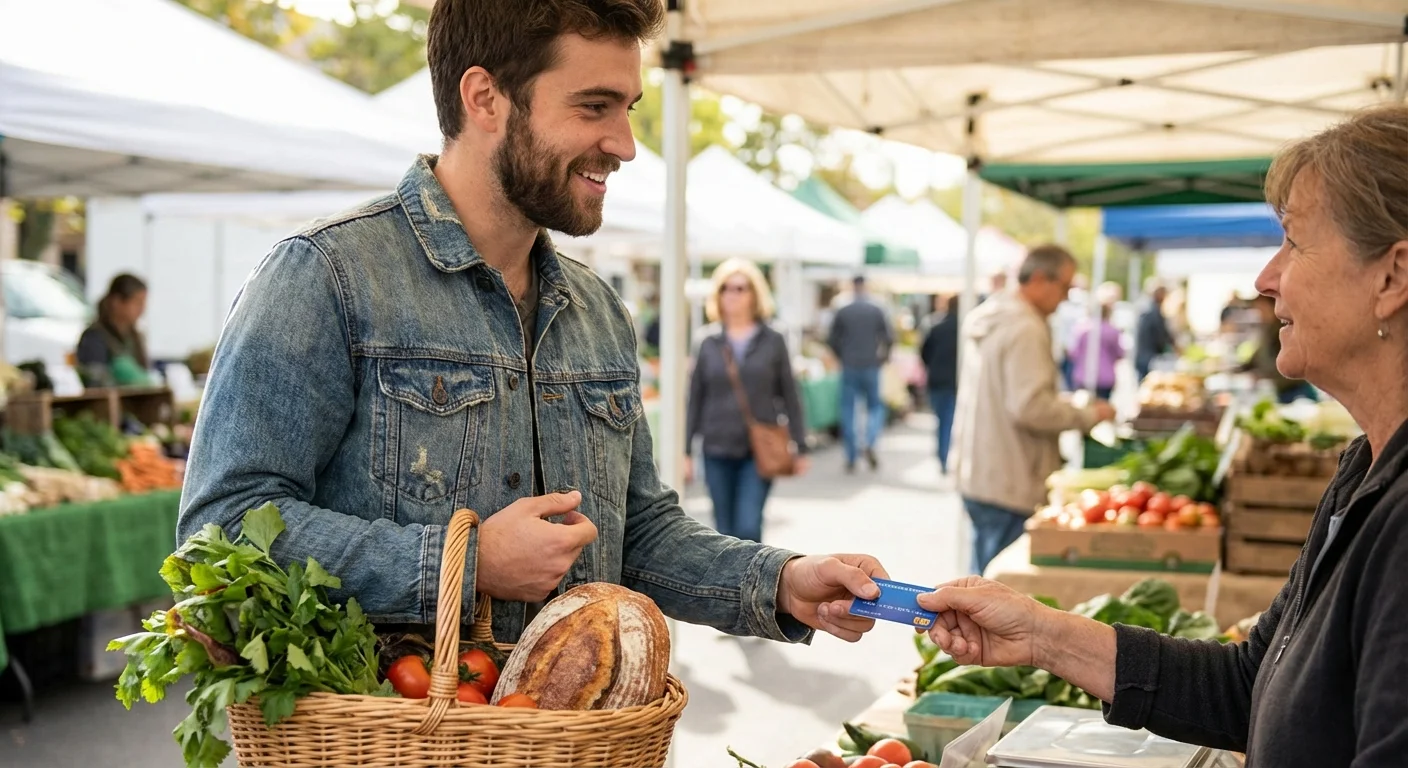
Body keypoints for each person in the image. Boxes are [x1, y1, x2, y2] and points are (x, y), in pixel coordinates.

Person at [179, 0, 887, 648]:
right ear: (485, 98)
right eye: (595, 106)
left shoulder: (598, 310)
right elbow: (220, 533)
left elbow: (635, 533)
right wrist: (466, 564)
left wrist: (784, 581)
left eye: (630, 107)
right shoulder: (325, 275)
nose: (626, 143)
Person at [917, 105, 1408, 767]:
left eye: (1293, 241)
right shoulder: (1365, 467)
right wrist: (1041, 634)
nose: (1265, 279)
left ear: (1392, 277)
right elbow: (1247, 686)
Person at [951, 245, 1116, 574]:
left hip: (982, 470)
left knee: (980, 578)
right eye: (1065, 287)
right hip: (1011, 475)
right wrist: (1086, 416)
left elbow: (1011, 395)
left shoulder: (995, 312)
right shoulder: (1026, 326)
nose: (1066, 297)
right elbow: (1030, 408)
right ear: (1040, 279)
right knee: (992, 593)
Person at [683, 259, 809, 543]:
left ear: (755, 294)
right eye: (726, 288)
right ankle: (729, 589)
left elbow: (790, 393)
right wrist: (685, 451)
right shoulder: (707, 341)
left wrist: (800, 445)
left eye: (741, 288)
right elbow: (694, 399)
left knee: (749, 526)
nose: (733, 294)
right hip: (716, 446)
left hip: (758, 447)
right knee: (723, 530)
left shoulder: (773, 339)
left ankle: (755, 585)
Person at [827, 275, 893, 473]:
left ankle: (851, 454)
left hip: (850, 365)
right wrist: (881, 358)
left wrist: (842, 356)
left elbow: (831, 339)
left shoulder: (843, 309)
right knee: (874, 407)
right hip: (870, 364)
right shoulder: (876, 308)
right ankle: (870, 440)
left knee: (849, 410)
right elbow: (888, 338)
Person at [76, 273, 151, 387]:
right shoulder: (94, 337)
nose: (142, 309)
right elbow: (93, 380)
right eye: (137, 302)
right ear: (116, 302)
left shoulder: (135, 337)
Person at [1244, 294, 1317, 403]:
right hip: (1279, 389)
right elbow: (1257, 357)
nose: (1260, 313)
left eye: (1262, 308)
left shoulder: (1283, 331)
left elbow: (1292, 365)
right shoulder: (1267, 329)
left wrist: (1266, 378)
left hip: (1295, 392)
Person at [920, 294, 959, 474]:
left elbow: (924, 353)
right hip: (953, 380)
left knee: (940, 419)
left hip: (936, 379)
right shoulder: (963, 329)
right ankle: (943, 455)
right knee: (948, 420)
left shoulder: (936, 327)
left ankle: (942, 454)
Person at [1068, 302, 1124, 402]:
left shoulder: (1082, 329)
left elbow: (1073, 353)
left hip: (1083, 375)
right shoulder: (1112, 331)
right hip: (1105, 377)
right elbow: (1119, 353)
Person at [1134, 278, 1176, 382]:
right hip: (1149, 357)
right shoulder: (1152, 311)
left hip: (1143, 355)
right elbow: (1160, 336)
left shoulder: (1145, 308)